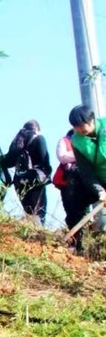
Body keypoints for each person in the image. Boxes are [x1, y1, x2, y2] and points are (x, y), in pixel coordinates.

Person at [65, 105, 106, 249]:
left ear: (92, 120)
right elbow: (85, 171)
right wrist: (99, 190)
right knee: (74, 199)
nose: (79, 129)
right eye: (75, 127)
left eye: (82, 125)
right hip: (100, 179)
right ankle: (77, 244)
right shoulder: (76, 141)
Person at [1, 120, 52, 225]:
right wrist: (47, 174)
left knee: (28, 212)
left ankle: (30, 232)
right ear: (36, 129)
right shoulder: (39, 138)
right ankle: (37, 233)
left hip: (19, 182)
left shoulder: (18, 141)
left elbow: (7, 162)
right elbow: (44, 159)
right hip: (35, 180)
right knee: (38, 213)